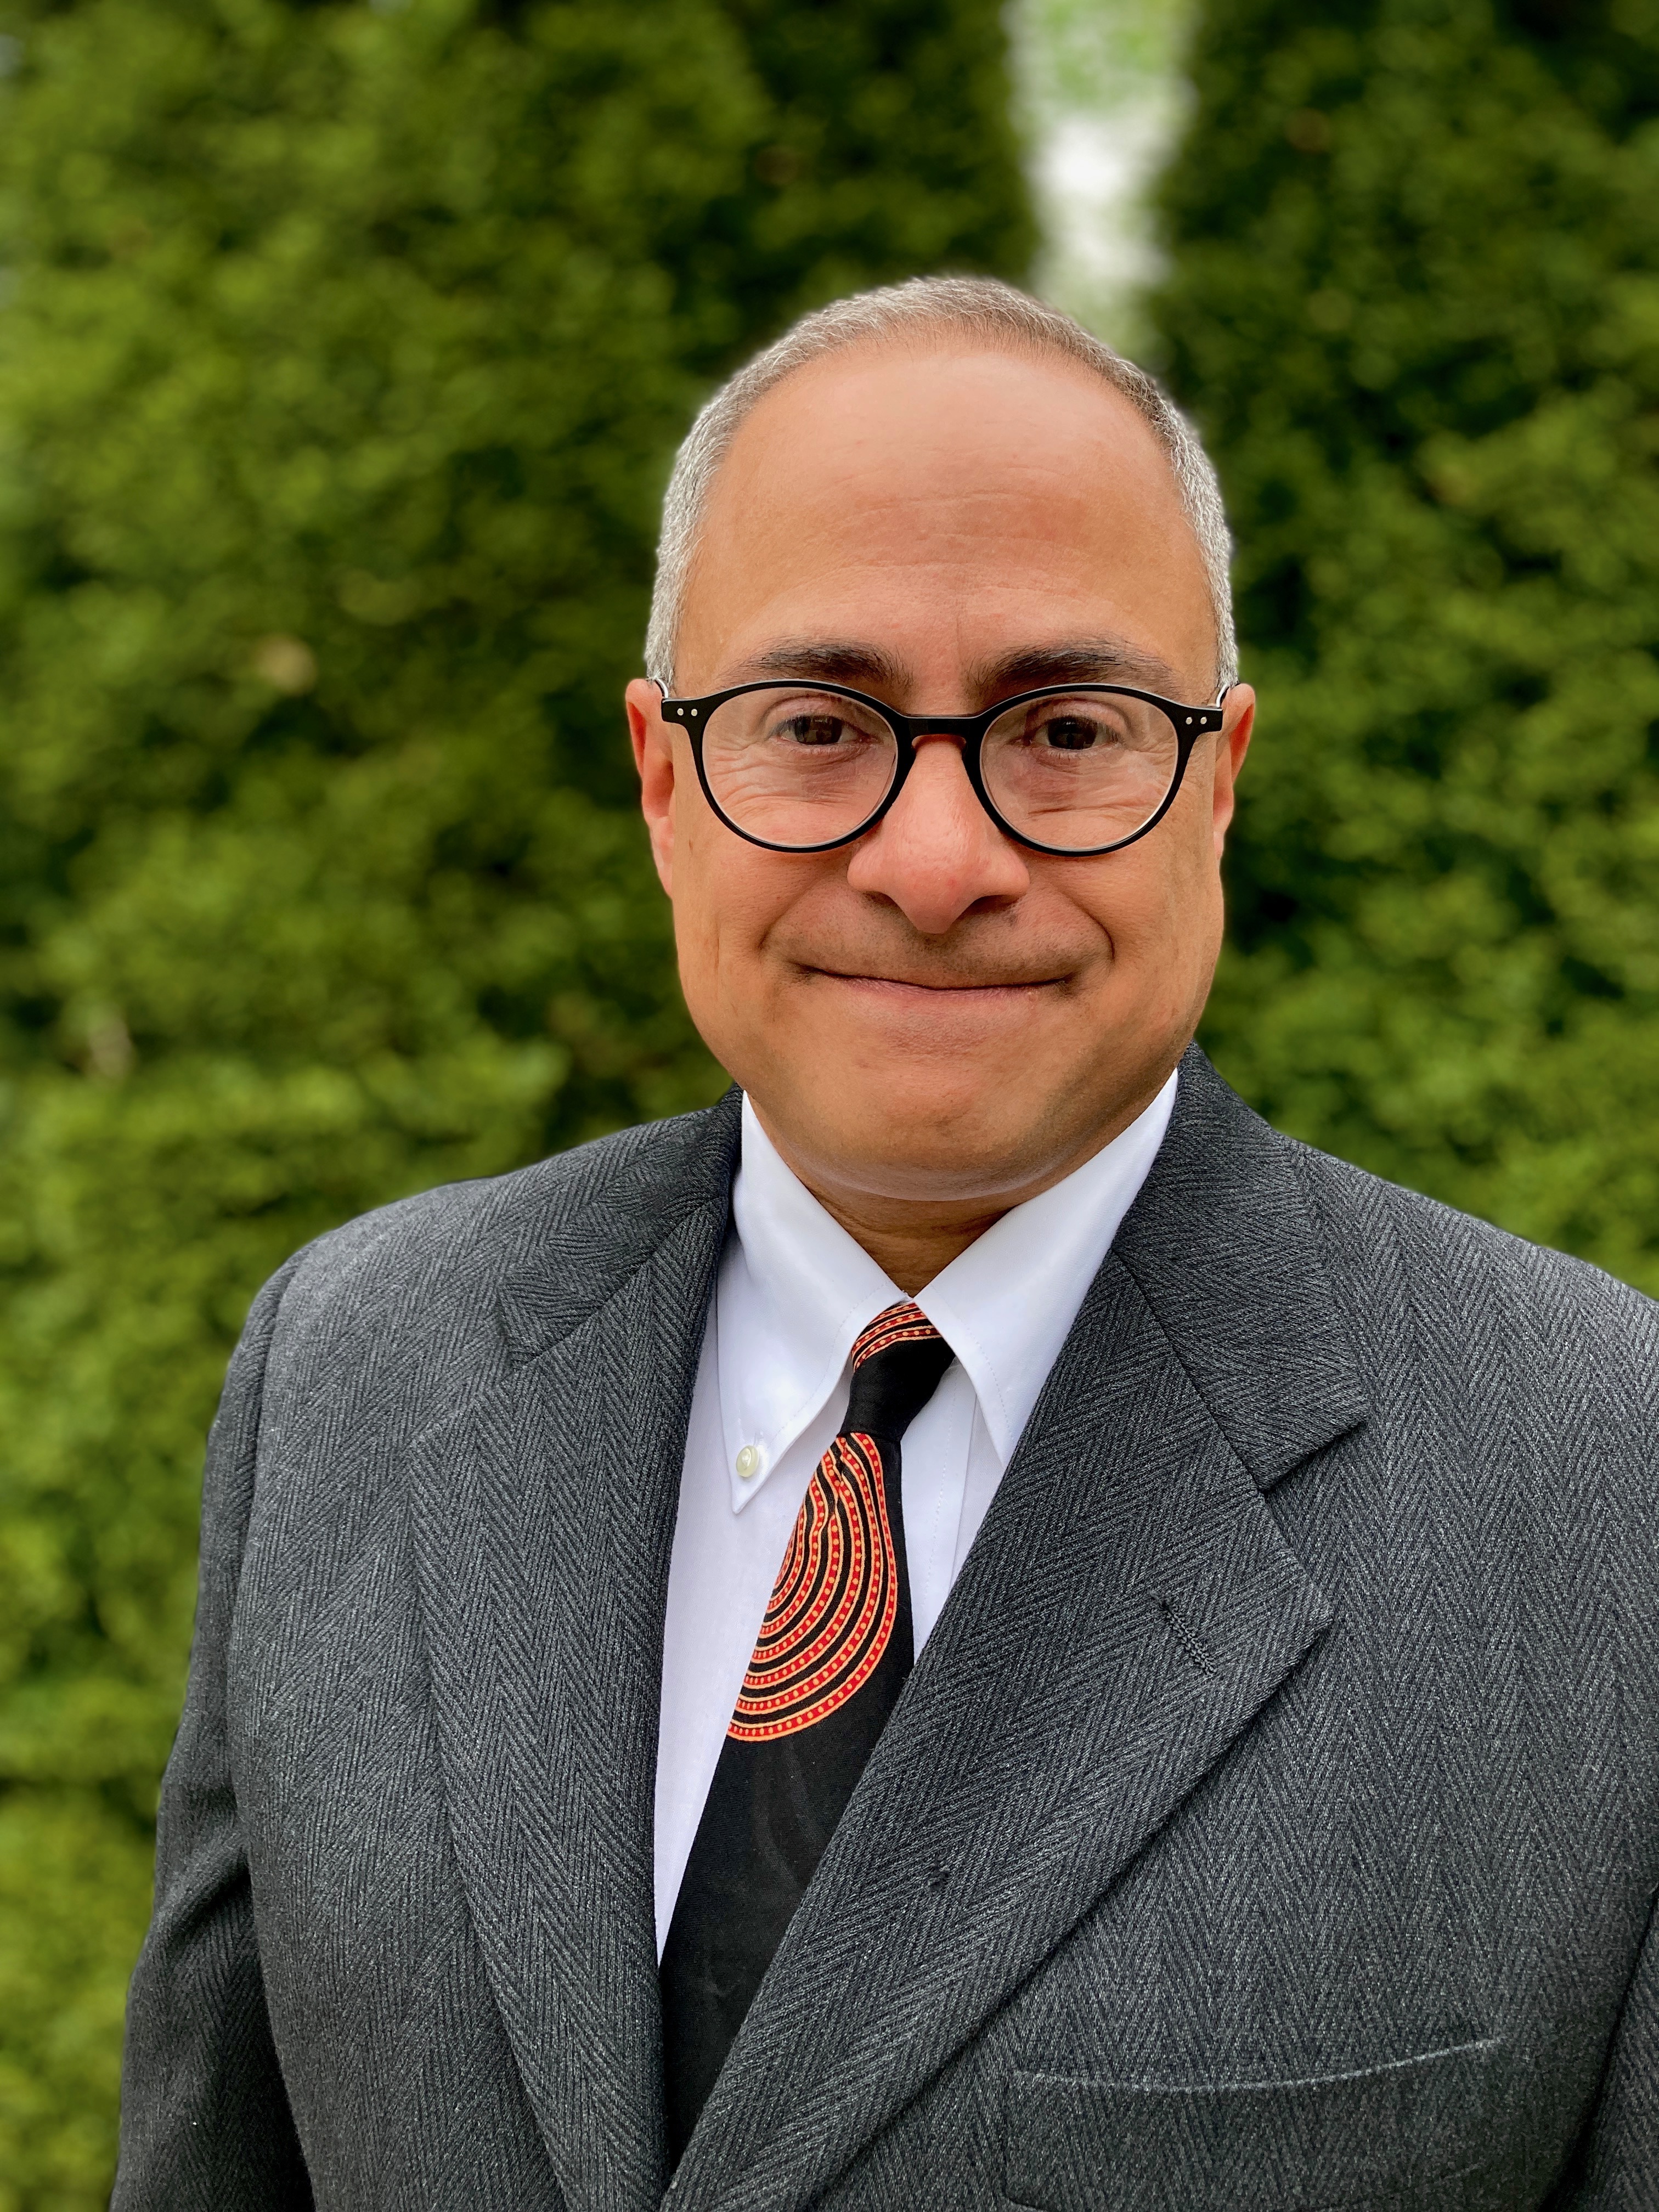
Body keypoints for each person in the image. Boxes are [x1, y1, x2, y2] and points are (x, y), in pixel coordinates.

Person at [114, 276, 1657, 2211]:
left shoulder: (1609, 1485)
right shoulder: (352, 1363)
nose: (935, 864)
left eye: (1069, 727)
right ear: (664, 784)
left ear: (1220, 784)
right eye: (816, 725)